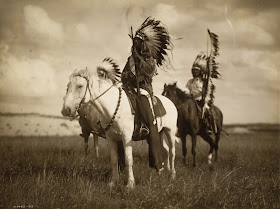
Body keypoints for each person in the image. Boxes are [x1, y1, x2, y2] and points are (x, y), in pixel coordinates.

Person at [121, 17, 172, 172]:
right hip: (129, 89)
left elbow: (149, 73)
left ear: (142, 43)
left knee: (151, 121)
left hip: (143, 90)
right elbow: (124, 73)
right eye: (133, 42)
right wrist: (126, 78)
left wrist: (139, 61)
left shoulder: (149, 57)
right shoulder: (130, 58)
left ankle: (157, 161)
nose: (134, 44)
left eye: (137, 42)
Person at [185, 52, 215, 133]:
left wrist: (205, 100)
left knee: (206, 111)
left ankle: (208, 127)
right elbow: (186, 90)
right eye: (193, 70)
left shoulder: (204, 82)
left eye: (196, 70)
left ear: (200, 71)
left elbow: (209, 92)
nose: (194, 72)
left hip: (201, 101)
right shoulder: (190, 82)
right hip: (191, 101)